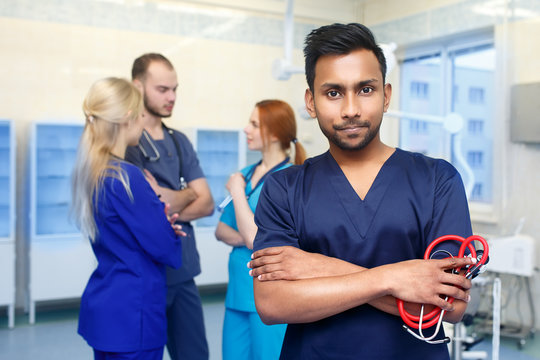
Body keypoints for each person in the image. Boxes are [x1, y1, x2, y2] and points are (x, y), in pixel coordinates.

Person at [247, 23, 476, 359]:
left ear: (386, 95)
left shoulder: (437, 180)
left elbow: (449, 307)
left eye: (365, 90)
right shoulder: (285, 187)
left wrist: (319, 267)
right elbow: (271, 303)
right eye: (334, 93)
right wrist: (393, 278)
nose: (351, 109)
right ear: (311, 102)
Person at [72, 77, 184, 360]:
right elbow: (166, 249)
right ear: (127, 119)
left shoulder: (93, 172)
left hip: (107, 307)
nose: (145, 120)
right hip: (134, 311)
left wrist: (157, 223)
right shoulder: (127, 177)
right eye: (141, 114)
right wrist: (166, 227)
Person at [125, 53, 214, 360]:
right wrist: (188, 192)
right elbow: (142, 211)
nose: (172, 97)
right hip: (147, 275)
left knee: (195, 355)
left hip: (184, 271)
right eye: (162, 89)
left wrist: (169, 198)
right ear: (138, 87)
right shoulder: (128, 142)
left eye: (175, 89)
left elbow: (207, 203)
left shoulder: (180, 142)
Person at [215, 100, 307, 360]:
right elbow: (222, 230)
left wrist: (236, 193)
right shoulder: (245, 174)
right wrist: (249, 238)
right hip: (237, 293)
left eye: (254, 124)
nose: (246, 129)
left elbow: (256, 240)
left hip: (269, 294)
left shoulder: (293, 177)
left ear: (275, 133)